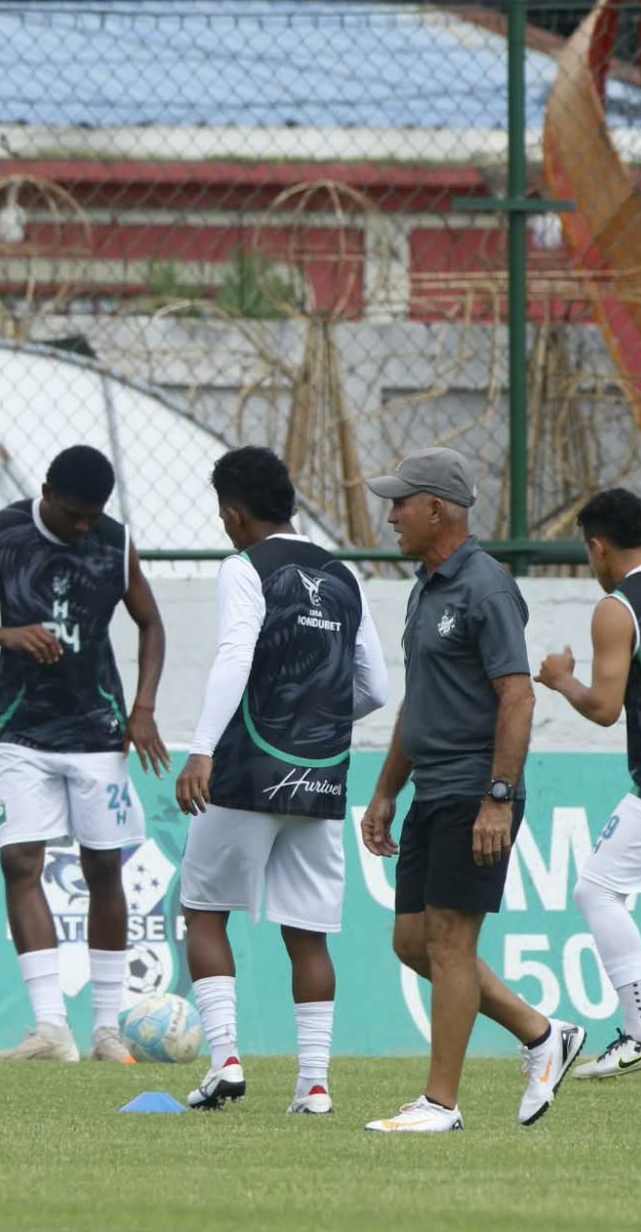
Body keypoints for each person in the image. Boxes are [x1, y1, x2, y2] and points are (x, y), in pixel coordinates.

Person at [358, 447, 584, 1133]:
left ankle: (440, 1104)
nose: (391, 513)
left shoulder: (486, 587)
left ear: (437, 509)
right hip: (431, 790)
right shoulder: (426, 586)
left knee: (452, 943)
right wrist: (386, 790)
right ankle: (542, 1032)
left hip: (474, 790)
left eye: (401, 502)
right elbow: (417, 702)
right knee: (412, 942)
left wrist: (498, 796)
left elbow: (517, 699)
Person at [0, 444, 170, 1064]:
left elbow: (151, 623)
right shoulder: (2, 532)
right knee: (20, 863)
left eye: (93, 515)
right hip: (23, 731)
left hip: (99, 731)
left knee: (104, 871)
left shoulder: (114, 542)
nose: (83, 526)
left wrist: (142, 709)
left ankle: (106, 1029)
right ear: (46, 492)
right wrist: (6, 633)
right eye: (74, 514)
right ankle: (50, 1029)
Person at [173, 447, 388, 1114]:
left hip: (246, 769)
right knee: (308, 931)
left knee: (204, 910)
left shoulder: (244, 567)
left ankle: (226, 1061)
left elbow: (236, 652)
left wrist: (201, 748)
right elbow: (375, 686)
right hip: (323, 776)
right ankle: (316, 1086)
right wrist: (313, 717)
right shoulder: (342, 573)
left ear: (236, 514)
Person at [536, 488, 641, 1080]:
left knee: (595, 889)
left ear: (598, 547)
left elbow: (605, 708)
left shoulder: (617, 607)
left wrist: (560, 680)